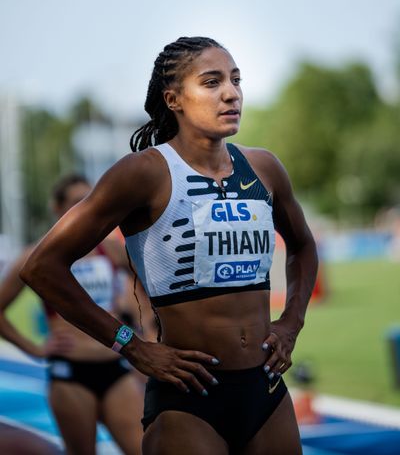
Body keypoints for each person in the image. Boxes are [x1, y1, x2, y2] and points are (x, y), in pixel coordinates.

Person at [21, 37, 318, 454]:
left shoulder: (264, 167)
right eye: (212, 82)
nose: (231, 92)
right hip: (188, 399)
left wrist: (291, 322)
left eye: (236, 80)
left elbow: (304, 246)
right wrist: (133, 345)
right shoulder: (143, 173)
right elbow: (41, 267)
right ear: (174, 98)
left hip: (265, 390)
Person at [0, 174, 152, 455]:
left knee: (142, 448)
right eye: (76, 201)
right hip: (71, 373)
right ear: (57, 208)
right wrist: (35, 348)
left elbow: (146, 290)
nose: (86, 207)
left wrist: (145, 333)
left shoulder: (111, 250)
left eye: (89, 199)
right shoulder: (36, 255)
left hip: (115, 368)